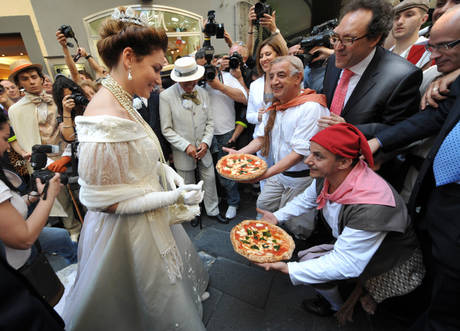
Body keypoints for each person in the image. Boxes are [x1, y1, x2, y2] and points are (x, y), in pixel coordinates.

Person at [62, 7, 209, 331]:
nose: (160, 79)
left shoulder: (123, 98)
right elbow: (104, 203)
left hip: (147, 216)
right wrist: (171, 198)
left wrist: (164, 172)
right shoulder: (104, 120)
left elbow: (139, 155)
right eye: (156, 68)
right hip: (125, 234)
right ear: (129, 57)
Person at [257, 123, 423, 325]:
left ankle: (349, 308)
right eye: (310, 153)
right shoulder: (328, 175)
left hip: (389, 265)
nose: (307, 160)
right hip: (358, 252)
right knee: (315, 266)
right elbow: (308, 199)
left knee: (381, 315)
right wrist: (277, 216)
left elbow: (348, 263)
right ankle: (337, 305)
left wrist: (287, 269)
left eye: (318, 156)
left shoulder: (371, 205)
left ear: (343, 162)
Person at [368, 6, 460, 330]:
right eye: (431, 45)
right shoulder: (452, 82)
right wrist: (378, 143)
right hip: (437, 201)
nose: (432, 55)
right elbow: (430, 118)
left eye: (441, 46)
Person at [226, 56, 329, 239]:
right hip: (280, 174)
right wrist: (239, 155)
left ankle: (294, 253)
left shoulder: (310, 107)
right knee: (263, 205)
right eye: (271, 76)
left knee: (298, 225)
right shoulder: (274, 106)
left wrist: (266, 174)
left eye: (281, 75)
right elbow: (260, 138)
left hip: (303, 179)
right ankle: (265, 242)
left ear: (298, 78)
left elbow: (299, 154)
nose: (274, 81)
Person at [321, 0, 422, 138]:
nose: (337, 48)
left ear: (374, 39)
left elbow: (399, 130)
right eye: (336, 37)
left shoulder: (402, 77)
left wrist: (350, 130)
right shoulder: (334, 60)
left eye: (348, 39)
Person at [7, 59, 81, 237]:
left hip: (70, 154)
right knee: (58, 198)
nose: (31, 81)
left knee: (81, 194)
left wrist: (67, 155)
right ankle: (74, 233)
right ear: (19, 84)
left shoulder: (57, 99)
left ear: (41, 78)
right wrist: (33, 156)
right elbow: (21, 138)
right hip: (44, 160)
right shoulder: (16, 110)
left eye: (34, 77)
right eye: (25, 79)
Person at [160, 57, 226, 224]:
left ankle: (213, 210)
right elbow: (166, 129)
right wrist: (186, 146)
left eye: (192, 81)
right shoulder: (166, 97)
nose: (190, 85)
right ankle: (192, 213)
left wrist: (205, 143)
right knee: (187, 184)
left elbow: (210, 122)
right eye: (185, 82)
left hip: (204, 150)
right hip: (183, 152)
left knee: (209, 179)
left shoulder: (203, 93)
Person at [204, 42, 249, 220]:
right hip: (203, 133)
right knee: (209, 172)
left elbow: (245, 99)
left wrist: (219, 86)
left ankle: (233, 202)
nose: (206, 68)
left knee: (227, 172)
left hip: (225, 131)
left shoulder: (226, 77)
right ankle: (216, 201)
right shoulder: (196, 78)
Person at [390, 0, 432, 69]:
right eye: (396, 17)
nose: (399, 21)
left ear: (423, 19)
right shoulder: (384, 52)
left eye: (409, 15)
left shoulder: (428, 53)